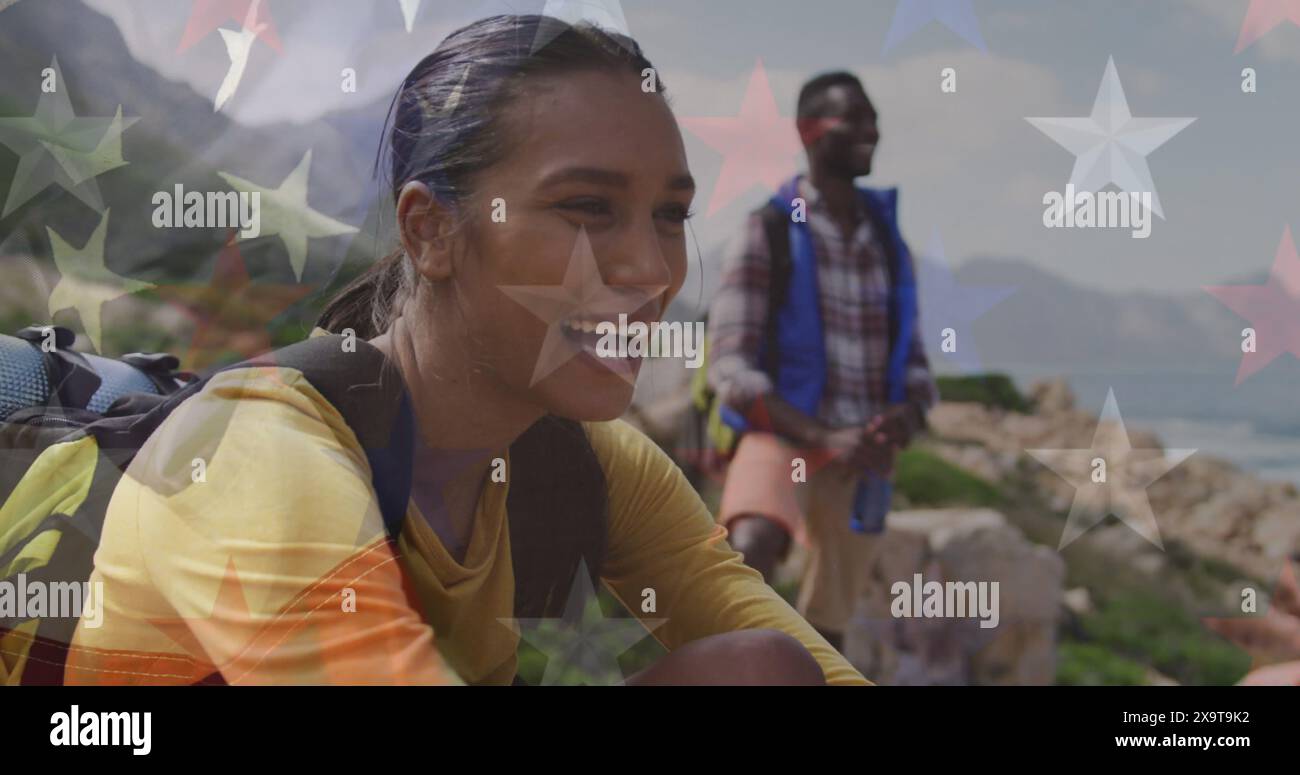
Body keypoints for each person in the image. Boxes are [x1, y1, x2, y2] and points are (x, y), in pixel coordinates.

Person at [63, 15, 867, 686]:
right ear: (431, 231)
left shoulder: (594, 463)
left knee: (762, 667)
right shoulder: (258, 458)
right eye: (588, 207)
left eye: (669, 215)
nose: (652, 272)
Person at [706, 71, 937, 651]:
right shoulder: (771, 229)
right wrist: (825, 435)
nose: (871, 130)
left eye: (873, 118)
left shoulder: (888, 241)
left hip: (864, 455)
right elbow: (730, 370)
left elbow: (914, 366)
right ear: (809, 131)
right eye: (853, 118)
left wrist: (902, 419)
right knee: (749, 549)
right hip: (784, 433)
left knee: (828, 622)